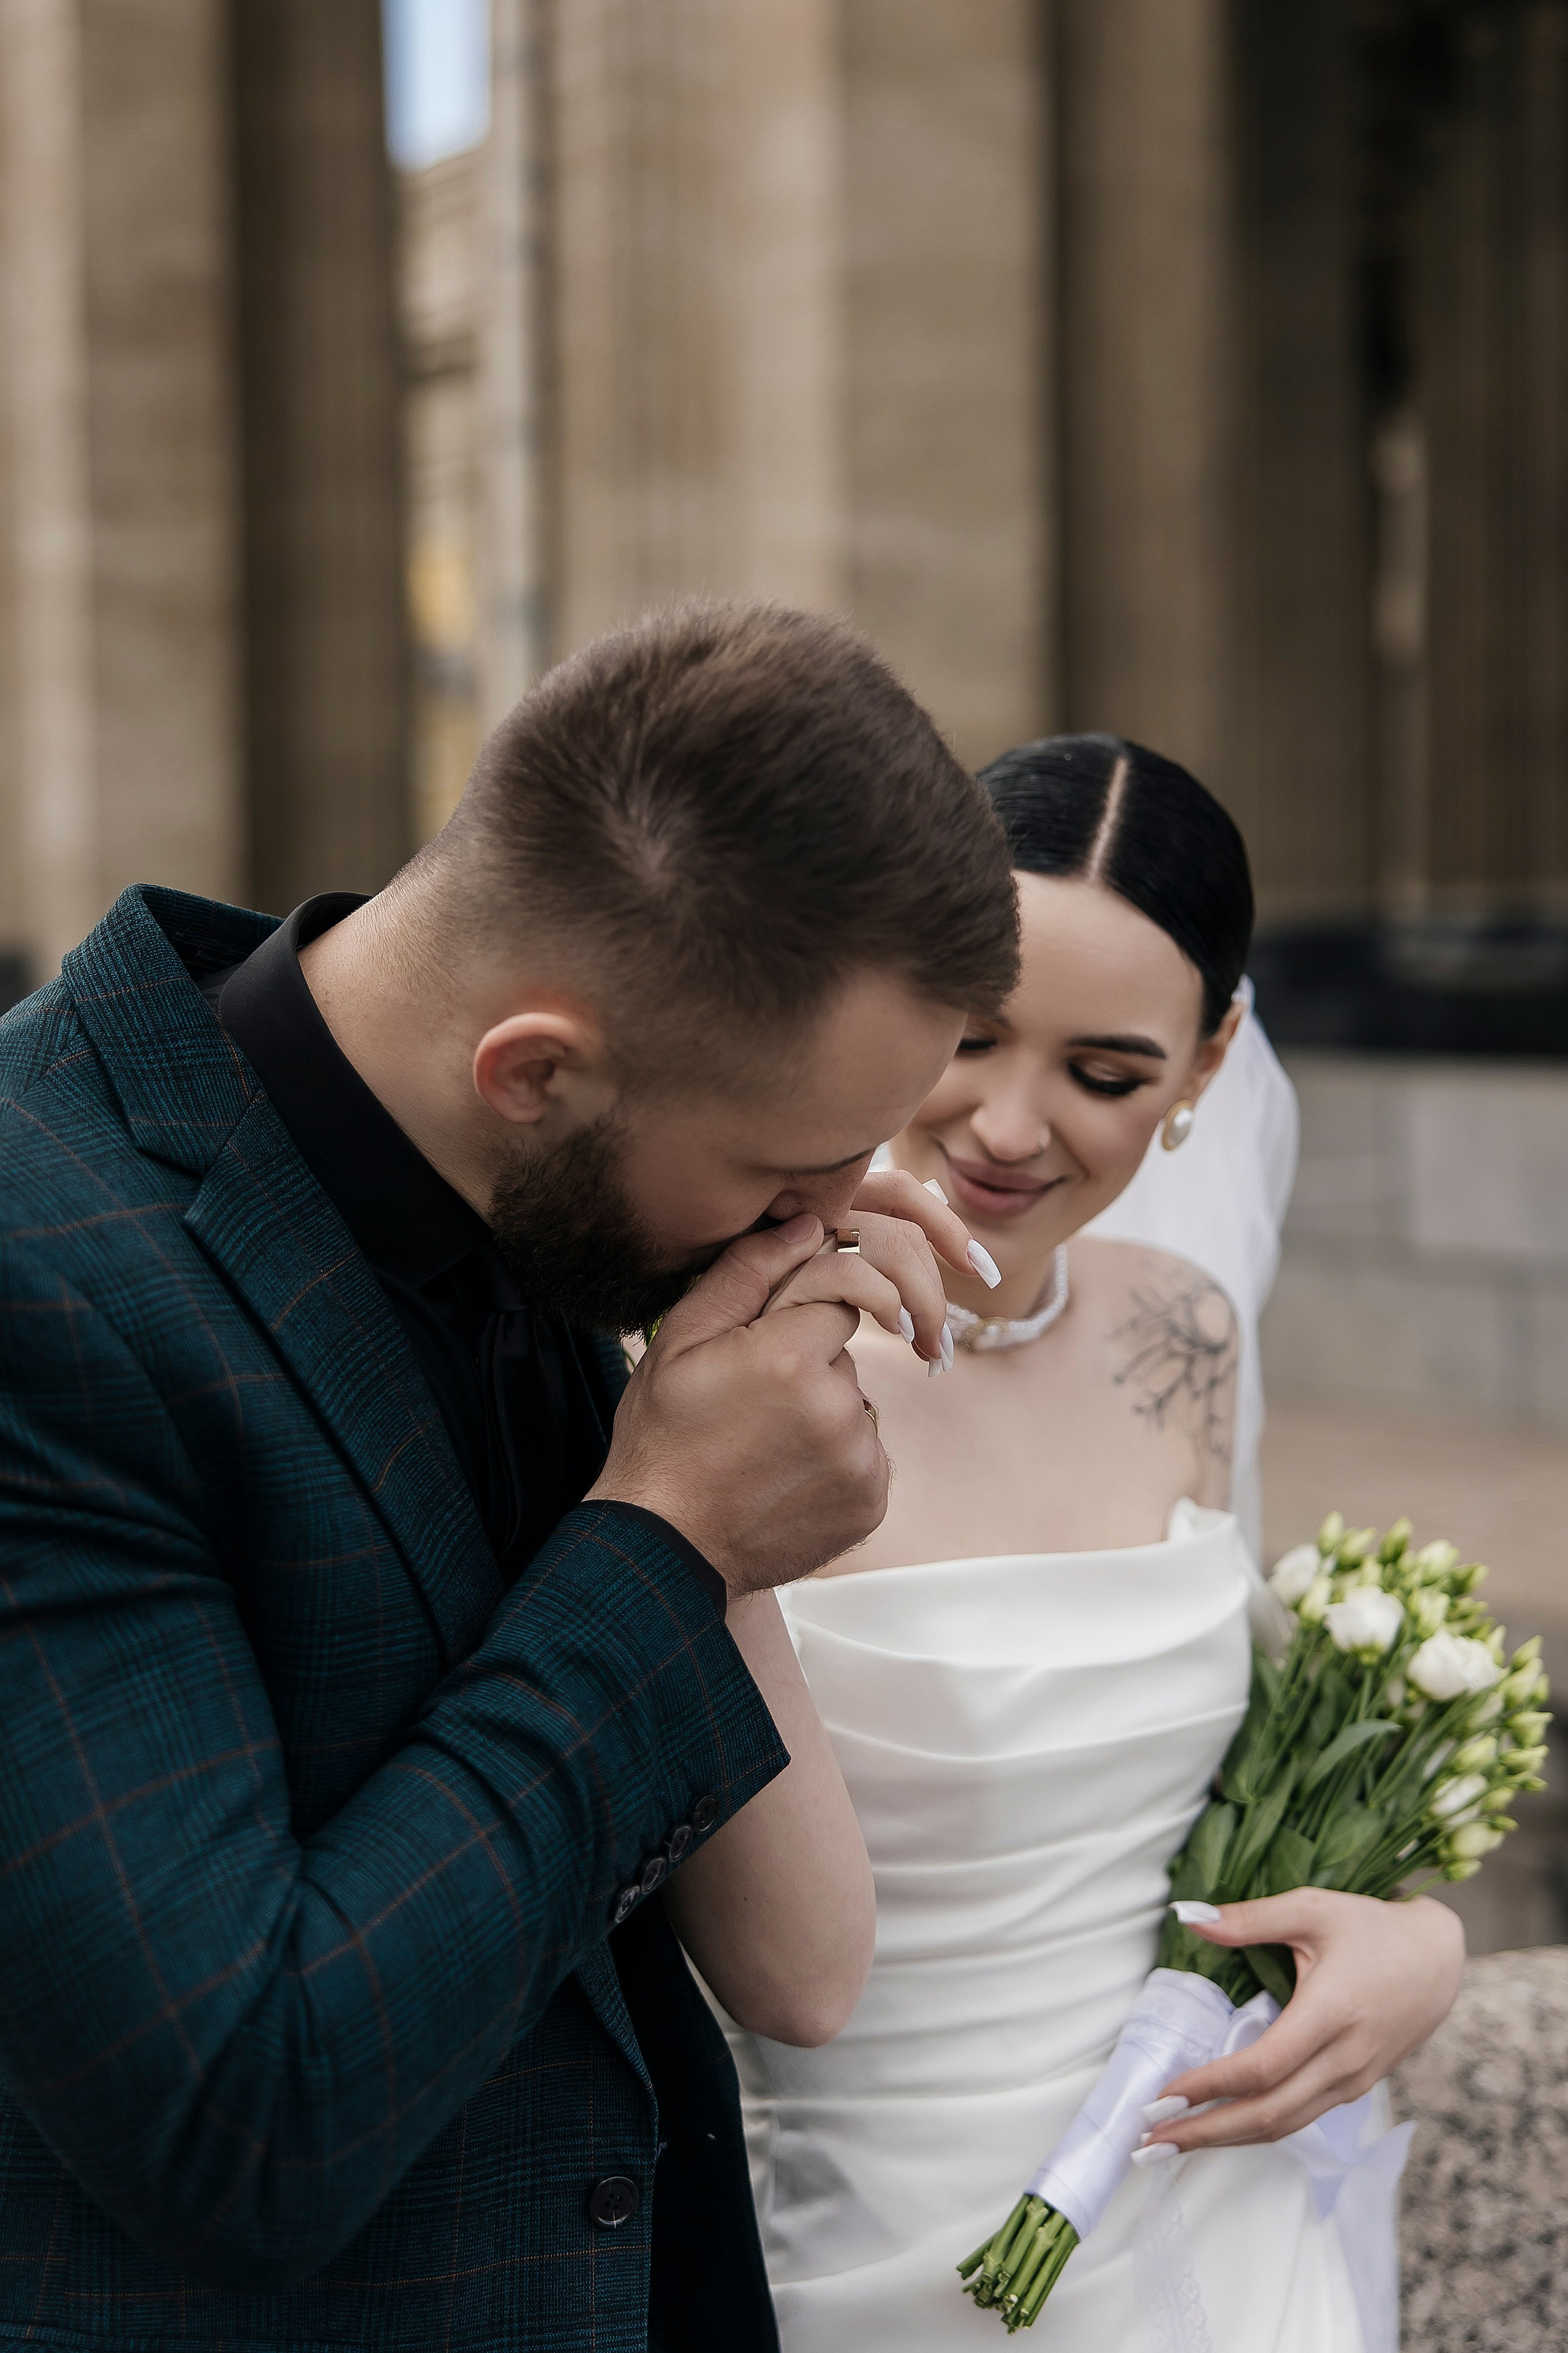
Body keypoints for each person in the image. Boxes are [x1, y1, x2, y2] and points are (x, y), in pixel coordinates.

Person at [0, 602, 1022, 2353]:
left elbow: (789, 1976)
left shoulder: (555, 1206)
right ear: (534, 1071)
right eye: (786, 1173)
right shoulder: (42, 1272)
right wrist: (671, 1532)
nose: (834, 1221)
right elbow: (241, 2118)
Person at [717, 734, 1466, 2349]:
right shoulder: (726, 1379)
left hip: (1223, 2228)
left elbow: (1220, 1802)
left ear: (1208, 1069)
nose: (1006, 1121)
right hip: (881, 2262)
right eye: (970, 1032)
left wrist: (1417, 1943)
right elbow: (782, 1981)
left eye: (1108, 1073)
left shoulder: (1180, 1330)